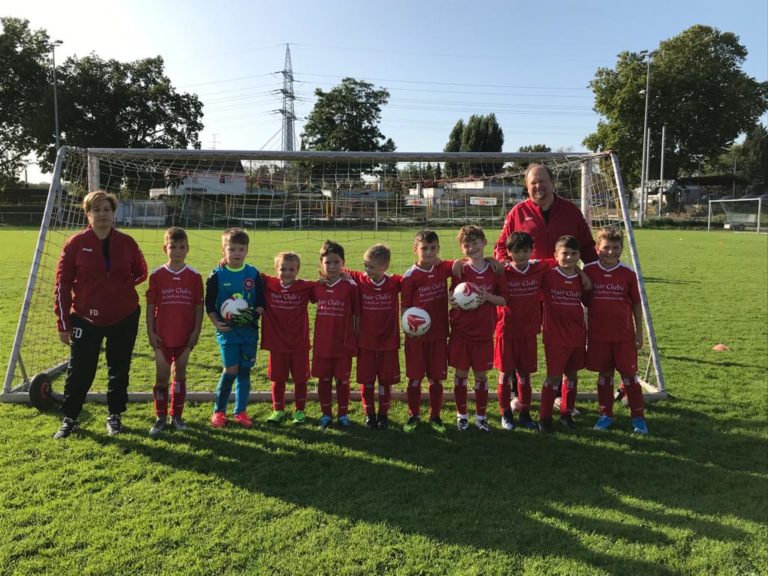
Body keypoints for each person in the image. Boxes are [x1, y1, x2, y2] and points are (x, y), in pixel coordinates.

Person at [53, 190, 148, 439]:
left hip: (124, 316)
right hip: (86, 317)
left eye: (107, 209)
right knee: (81, 369)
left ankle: (114, 415)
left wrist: (119, 288)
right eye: (96, 210)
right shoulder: (75, 243)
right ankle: (70, 418)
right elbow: (62, 284)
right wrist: (63, 322)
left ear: (113, 213)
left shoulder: (127, 243)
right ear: (88, 214)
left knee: (119, 367)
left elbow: (141, 272)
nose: (102, 214)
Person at [583, 227, 648, 435]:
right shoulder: (589, 271)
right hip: (598, 335)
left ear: (622, 248)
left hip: (623, 335)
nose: (611, 252)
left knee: (630, 376)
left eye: (616, 248)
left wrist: (639, 333)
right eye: (606, 247)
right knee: (604, 375)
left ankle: (638, 418)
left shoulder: (628, 273)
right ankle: (605, 415)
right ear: (598, 248)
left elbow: (637, 305)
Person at [449, 226, 508, 433]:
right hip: (460, 332)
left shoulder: (495, 270)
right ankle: (462, 415)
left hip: (483, 333)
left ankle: (481, 417)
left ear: (484, 243)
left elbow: (503, 299)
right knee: (461, 374)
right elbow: (452, 296)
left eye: (475, 242)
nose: (471, 247)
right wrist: (453, 301)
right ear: (461, 248)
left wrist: (487, 298)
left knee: (481, 376)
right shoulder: (459, 270)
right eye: (466, 244)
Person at [146, 227, 204, 436]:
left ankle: (176, 416)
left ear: (188, 249)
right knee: (161, 378)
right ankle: (160, 417)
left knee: (179, 376)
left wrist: (196, 332)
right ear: (165, 248)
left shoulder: (195, 276)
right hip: (162, 337)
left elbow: (199, 307)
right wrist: (151, 333)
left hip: (184, 338)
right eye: (173, 247)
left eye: (181, 247)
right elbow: (151, 306)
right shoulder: (157, 275)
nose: (177, 251)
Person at [206, 228, 266, 428]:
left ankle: (241, 412)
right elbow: (209, 305)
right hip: (228, 333)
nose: (237, 253)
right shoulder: (217, 275)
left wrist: (252, 315)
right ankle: (219, 412)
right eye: (232, 249)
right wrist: (217, 323)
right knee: (230, 370)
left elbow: (261, 303)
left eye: (241, 249)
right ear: (224, 250)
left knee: (245, 372)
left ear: (247, 250)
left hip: (249, 332)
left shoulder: (253, 273)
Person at [494, 231, 554, 431]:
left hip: (529, 331)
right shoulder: (502, 271)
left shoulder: (538, 267)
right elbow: (480, 265)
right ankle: (506, 413)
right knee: (505, 374)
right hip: (506, 331)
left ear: (531, 251)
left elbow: (562, 261)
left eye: (526, 251)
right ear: (509, 252)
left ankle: (525, 413)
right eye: (517, 251)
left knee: (525, 375)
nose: (522, 256)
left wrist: (580, 272)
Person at [401, 230, 455, 434]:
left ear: (438, 249)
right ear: (415, 250)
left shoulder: (443, 268)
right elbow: (405, 307)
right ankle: (413, 415)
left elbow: (465, 264)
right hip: (416, 336)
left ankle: (435, 416)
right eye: (424, 248)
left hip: (439, 335)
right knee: (414, 378)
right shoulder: (410, 276)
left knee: (436, 378)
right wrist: (408, 329)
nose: (429, 252)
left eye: (433, 248)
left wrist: (487, 259)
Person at [494, 164, 597, 264]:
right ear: (527, 186)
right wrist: (504, 265)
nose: (538, 186)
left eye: (542, 181)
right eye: (533, 183)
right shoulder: (517, 212)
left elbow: (587, 246)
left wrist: (598, 273)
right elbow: (502, 246)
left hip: (562, 278)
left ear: (552, 182)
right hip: (530, 279)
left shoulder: (571, 210)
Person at [346, 244, 402, 430]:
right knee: (367, 381)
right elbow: (334, 267)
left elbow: (417, 280)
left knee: (385, 381)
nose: (366, 270)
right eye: (365, 265)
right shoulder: (360, 280)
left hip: (388, 342)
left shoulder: (395, 282)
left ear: (384, 267)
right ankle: (369, 414)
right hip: (366, 342)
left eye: (371, 266)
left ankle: (383, 415)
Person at [538, 235, 587, 433]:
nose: (568, 257)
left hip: (576, 333)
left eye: (573, 254)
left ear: (579, 256)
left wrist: (580, 271)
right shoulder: (547, 275)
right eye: (564, 253)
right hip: (555, 336)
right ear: (555, 255)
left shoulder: (581, 279)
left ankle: (566, 413)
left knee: (572, 375)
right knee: (553, 377)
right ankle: (545, 417)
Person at [261, 252, 315, 425]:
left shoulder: (306, 286)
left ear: (298, 270)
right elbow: (248, 272)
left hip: (299, 343)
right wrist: (225, 261)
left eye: (291, 269)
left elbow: (323, 286)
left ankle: (299, 411)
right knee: (278, 379)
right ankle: (278, 410)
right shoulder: (269, 283)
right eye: (282, 269)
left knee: (300, 379)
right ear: (276, 269)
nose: (287, 272)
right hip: (277, 343)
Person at [311, 240, 360, 430]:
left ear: (343, 263)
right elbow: (306, 292)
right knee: (323, 379)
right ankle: (326, 414)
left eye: (336, 262)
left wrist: (355, 337)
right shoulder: (317, 287)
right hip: (322, 344)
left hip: (343, 344)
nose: (331, 266)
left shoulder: (350, 286)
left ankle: (343, 414)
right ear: (321, 264)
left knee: (342, 379)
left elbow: (357, 314)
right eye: (327, 263)